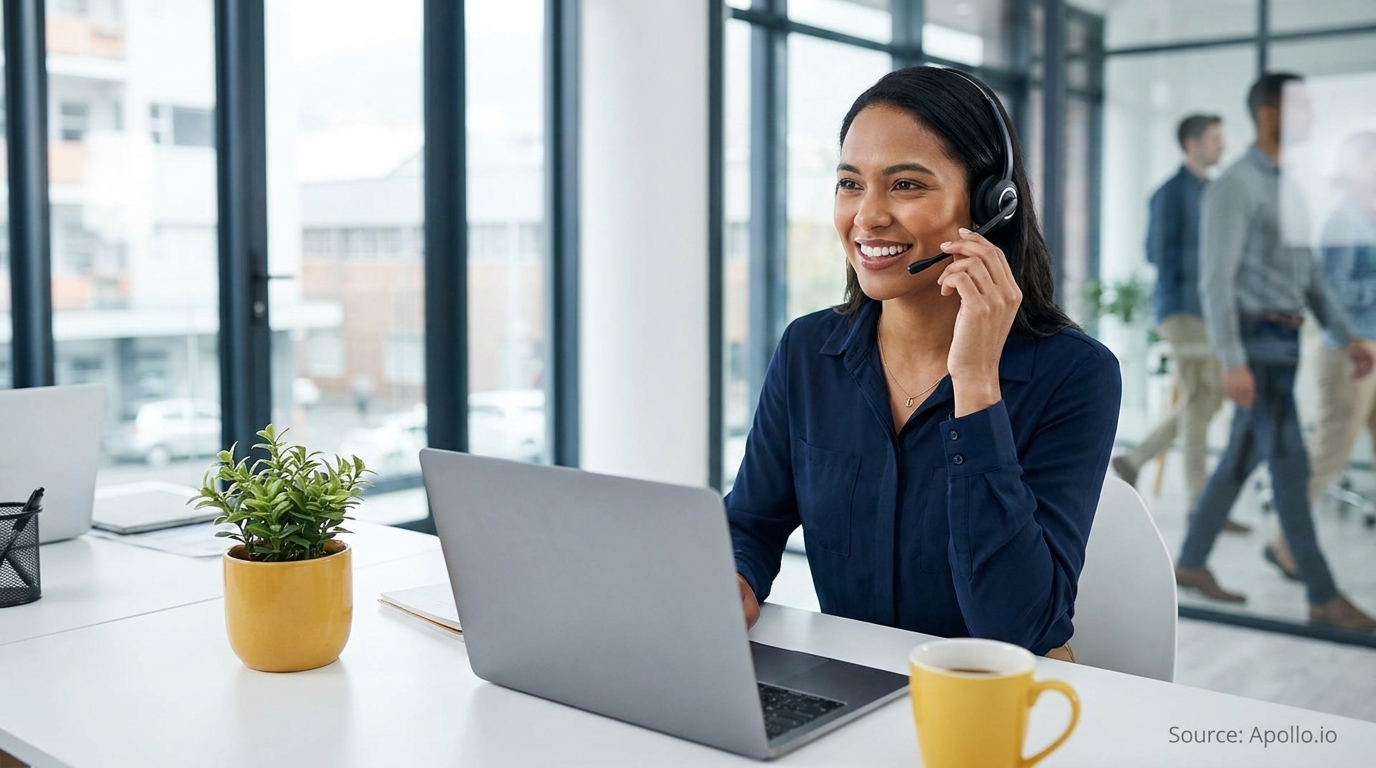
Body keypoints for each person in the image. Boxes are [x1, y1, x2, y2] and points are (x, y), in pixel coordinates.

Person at [725, 66, 1121, 660]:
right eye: (850, 184)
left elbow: (1021, 626)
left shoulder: (1074, 374)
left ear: (993, 203)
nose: (868, 217)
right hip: (854, 689)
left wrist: (976, 385)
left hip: (998, 701)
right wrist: (730, 586)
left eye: (906, 185)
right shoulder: (809, 351)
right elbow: (749, 525)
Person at [1175, 73, 1376, 631]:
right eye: (1303, 106)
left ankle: (1190, 563)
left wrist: (1345, 333)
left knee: (1241, 459)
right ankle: (1322, 594)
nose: (1311, 115)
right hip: (1257, 344)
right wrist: (1231, 359)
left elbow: (1307, 272)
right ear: (1270, 113)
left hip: (1284, 341)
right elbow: (1215, 280)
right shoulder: (1235, 185)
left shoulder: (1288, 185)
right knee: (1289, 465)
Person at [1112, 115, 1241, 531]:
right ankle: (1202, 508)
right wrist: (1210, 262)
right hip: (1182, 309)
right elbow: (1155, 252)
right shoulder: (1170, 193)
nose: (1222, 145)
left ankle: (1134, 460)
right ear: (1192, 143)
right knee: (1203, 399)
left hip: (1207, 310)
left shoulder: (1211, 192)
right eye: (1215, 139)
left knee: (1205, 398)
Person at [1269, 132, 1376, 579]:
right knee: (1331, 451)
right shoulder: (1343, 223)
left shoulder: (1367, 217)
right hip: (1348, 353)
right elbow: (1329, 294)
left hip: (1369, 346)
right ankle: (1283, 540)